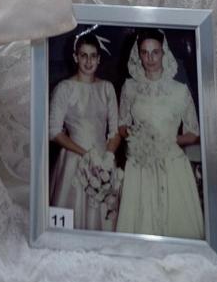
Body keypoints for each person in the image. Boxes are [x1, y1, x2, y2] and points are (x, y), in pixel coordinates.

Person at [115, 30, 203, 240]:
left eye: (155, 52)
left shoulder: (179, 90)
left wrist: (167, 140)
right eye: (144, 53)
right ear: (138, 55)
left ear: (164, 53)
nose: (150, 59)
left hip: (172, 164)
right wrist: (136, 136)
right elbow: (122, 125)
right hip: (139, 164)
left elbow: (193, 133)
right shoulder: (129, 88)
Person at [48, 28, 122, 231]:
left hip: (103, 160)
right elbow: (54, 132)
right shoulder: (64, 88)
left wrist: (107, 156)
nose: (88, 62)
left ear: (99, 59)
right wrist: (86, 155)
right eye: (83, 56)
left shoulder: (107, 88)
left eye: (93, 56)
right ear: (75, 57)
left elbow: (114, 132)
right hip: (74, 159)